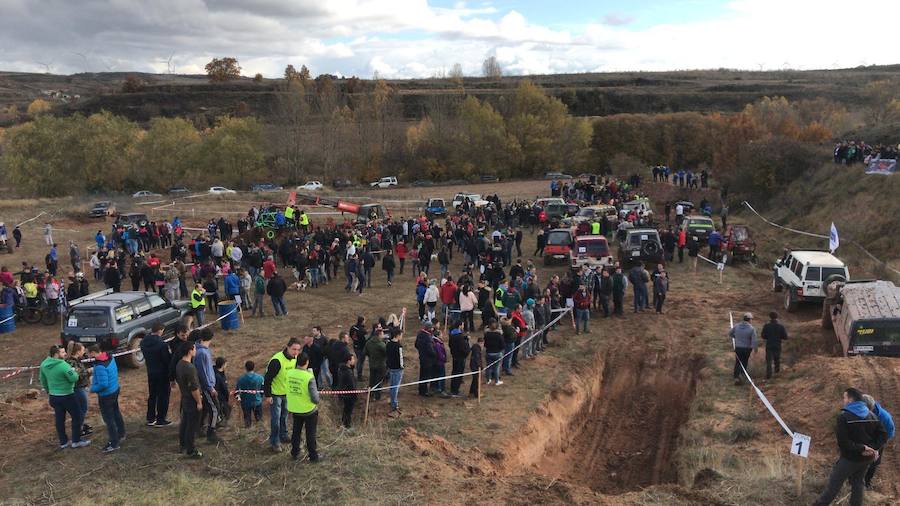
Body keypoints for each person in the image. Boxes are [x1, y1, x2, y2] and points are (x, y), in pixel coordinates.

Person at [811, 388, 888, 506]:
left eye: (844, 397)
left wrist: (864, 448)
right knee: (858, 483)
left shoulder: (844, 417)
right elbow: (883, 435)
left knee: (834, 484)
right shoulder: (871, 415)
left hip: (849, 459)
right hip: (866, 459)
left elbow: (843, 443)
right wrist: (872, 448)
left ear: (851, 399)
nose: (844, 400)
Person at [41, 345, 89, 449]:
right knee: (77, 416)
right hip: (67, 395)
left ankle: (63, 442)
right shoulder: (63, 365)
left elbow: (43, 380)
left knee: (59, 419)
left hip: (54, 396)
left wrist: (49, 391)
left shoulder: (44, 364)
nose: (65, 354)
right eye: (63, 352)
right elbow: (74, 378)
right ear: (56, 354)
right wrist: (74, 372)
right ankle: (76, 440)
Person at [264, 338, 301, 452]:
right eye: (294, 349)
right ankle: (275, 442)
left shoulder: (295, 358)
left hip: (287, 393)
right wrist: (268, 395)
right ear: (287, 347)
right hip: (275, 394)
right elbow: (267, 378)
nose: (296, 352)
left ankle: (283, 435)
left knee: (284, 416)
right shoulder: (277, 360)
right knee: (276, 419)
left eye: (298, 350)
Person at [88, 344, 126, 453]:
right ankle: (121, 433)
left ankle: (114, 443)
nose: (88, 355)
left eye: (89, 353)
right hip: (115, 389)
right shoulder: (110, 358)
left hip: (106, 395)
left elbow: (103, 384)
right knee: (116, 412)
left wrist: (92, 389)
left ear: (93, 353)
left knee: (109, 419)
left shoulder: (100, 366)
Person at [285, 352, 321, 462]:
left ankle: (295, 452)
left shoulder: (289, 373)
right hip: (309, 410)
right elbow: (315, 399)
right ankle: (313, 456)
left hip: (294, 408)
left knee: (296, 432)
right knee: (310, 433)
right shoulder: (309, 377)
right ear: (307, 362)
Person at [141, 323, 173, 427]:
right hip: (162, 373)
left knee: (152, 395)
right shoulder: (162, 344)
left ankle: (150, 418)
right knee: (163, 396)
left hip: (150, 371)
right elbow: (166, 360)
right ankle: (161, 419)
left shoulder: (143, 342)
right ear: (160, 330)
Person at [175, 341, 203, 458]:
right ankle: (191, 450)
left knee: (185, 422)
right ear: (190, 351)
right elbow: (194, 388)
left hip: (184, 397)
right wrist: (199, 402)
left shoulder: (179, 364)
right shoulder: (190, 368)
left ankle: (183, 445)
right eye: (194, 349)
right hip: (191, 399)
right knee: (191, 425)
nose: (195, 350)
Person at [193, 330, 220, 443]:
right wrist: (210, 387)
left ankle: (200, 428)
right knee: (215, 409)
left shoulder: (201, 350)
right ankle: (211, 433)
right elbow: (203, 372)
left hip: (207, 385)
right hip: (206, 387)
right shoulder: (202, 353)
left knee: (206, 409)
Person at [862, 394, 894, 489]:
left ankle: (867, 482)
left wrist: (875, 447)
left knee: (874, 461)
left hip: (878, 438)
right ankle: (852, 480)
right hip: (864, 434)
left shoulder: (885, 418)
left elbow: (888, 433)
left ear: (870, 408)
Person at [65, 342, 93, 439]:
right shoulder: (72, 362)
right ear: (77, 351)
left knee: (81, 409)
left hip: (81, 387)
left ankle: (80, 427)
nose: (84, 351)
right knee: (82, 409)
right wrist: (88, 372)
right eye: (82, 350)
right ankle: (78, 430)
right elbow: (76, 376)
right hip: (78, 389)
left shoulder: (76, 360)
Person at [728, 312, 758, 385]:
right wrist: (755, 349)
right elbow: (754, 340)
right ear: (749, 319)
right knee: (744, 362)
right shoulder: (751, 328)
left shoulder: (737, 326)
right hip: (747, 349)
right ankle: (742, 375)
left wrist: (736, 337)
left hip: (738, 347)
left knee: (738, 362)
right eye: (751, 319)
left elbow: (730, 333)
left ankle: (736, 376)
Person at [236, 360, 264, 429]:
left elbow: (237, 391)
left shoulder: (241, 379)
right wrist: (261, 397)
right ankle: (260, 432)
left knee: (247, 420)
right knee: (259, 420)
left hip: (245, 402)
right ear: (254, 367)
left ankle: (248, 432)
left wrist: (238, 398)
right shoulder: (260, 378)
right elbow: (263, 389)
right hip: (257, 401)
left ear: (245, 368)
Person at [761, 312, 788, 380]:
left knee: (769, 361)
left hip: (769, 345)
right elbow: (785, 337)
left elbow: (763, 336)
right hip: (777, 345)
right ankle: (777, 373)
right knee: (777, 360)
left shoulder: (766, 326)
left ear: (769, 317)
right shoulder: (781, 326)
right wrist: (779, 337)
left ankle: (769, 375)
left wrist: (768, 337)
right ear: (777, 317)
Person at [364, 326, 387, 400]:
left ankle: (371, 393)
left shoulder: (368, 342)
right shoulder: (381, 344)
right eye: (383, 334)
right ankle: (377, 396)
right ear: (379, 335)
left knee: (372, 380)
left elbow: (365, 352)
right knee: (378, 381)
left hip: (372, 364)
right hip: (380, 365)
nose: (384, 335)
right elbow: (386, 353)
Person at [415, 321, 437, 396]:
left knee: (422, 374)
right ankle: (424, 391)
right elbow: (430, 349)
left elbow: (416, 344)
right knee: (426, 375)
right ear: (429, 328)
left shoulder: (419, 334)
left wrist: (421, 350)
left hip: (422, 357)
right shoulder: (427, 337)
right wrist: (435, 354)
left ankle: (421, 390)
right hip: (428, 359)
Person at [448, 323, 470, 397]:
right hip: (460, 357)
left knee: (454, 372)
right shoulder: (460, 337)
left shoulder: (452, 334)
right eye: (463, 325)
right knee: (458, 373)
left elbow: (450, 345)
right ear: (460, 326)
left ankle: (453, 389)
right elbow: (464, 348)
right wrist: (467, 351)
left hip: (455, 356)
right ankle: (455, 391)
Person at [335, 353, 357, 428]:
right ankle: (347, 426)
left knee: (346, 410)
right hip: (349, 394)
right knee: (348, 411)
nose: (354, 360)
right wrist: (355, 395)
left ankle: (344, 423)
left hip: (344, 393)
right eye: (353, 359)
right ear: (348, 361)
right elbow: (352, 385)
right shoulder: (348, 372)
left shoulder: (342, 369)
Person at [386, 329, 404, 416]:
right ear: (397, 335)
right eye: (401, 335)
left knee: (392, 386)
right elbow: (400, 358)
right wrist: (402, 366)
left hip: (390, 367)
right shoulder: (399, 346)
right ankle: (394, 404)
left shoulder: (388, 344)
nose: (402, 336)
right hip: (397, 368)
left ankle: (392, 400)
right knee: (395, 387)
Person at [483, 320, 504, 385]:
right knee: (496, 368)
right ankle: (497, 381)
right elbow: (502, 345)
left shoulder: (486, 335)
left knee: (488, 367)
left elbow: (485, 344)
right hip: (497, 353)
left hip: (488, 352)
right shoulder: (499, 335)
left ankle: (488, 380)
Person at [214, 357, 231, 425]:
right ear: (223, 365)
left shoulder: (217, 372)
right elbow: (222, 388)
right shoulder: (218, 377)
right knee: (225, 410)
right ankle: (220, 423)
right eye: (226, 364)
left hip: (220, 396)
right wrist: (227, 396)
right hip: (220, 397)